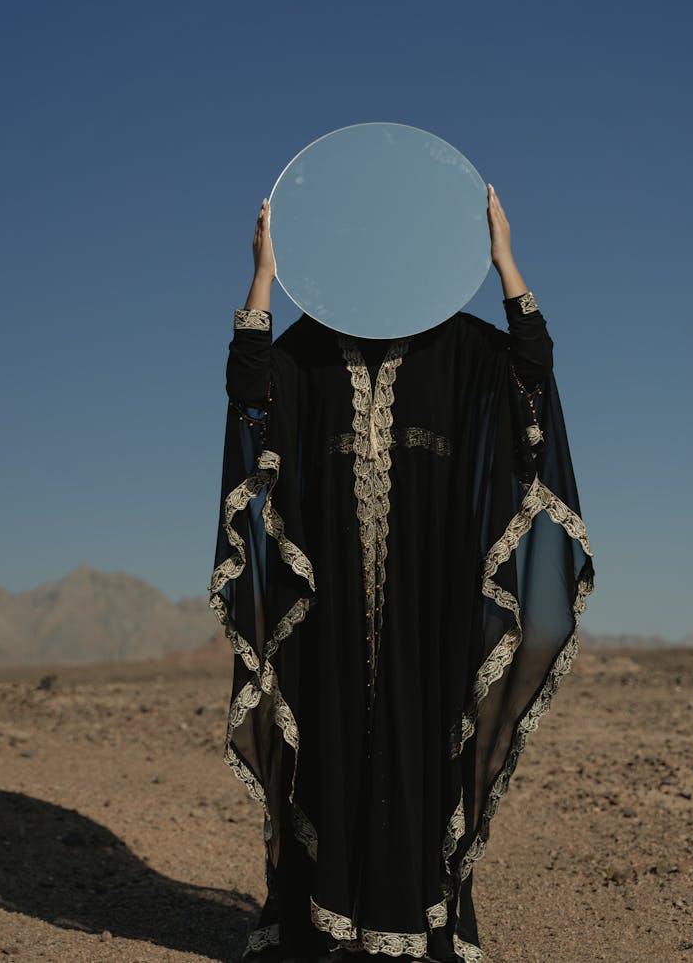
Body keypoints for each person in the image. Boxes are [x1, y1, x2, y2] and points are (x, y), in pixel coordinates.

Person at [210, 186, 594, 963]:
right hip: (333, 605)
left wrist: (504, 260)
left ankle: (419, 926)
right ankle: (326, 924)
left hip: (431, 599)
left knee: (422, 749)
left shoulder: (460, 350)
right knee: (332, 744)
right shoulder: (311, 352)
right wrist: (263, 277)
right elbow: (250, 389)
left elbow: (533, 371)